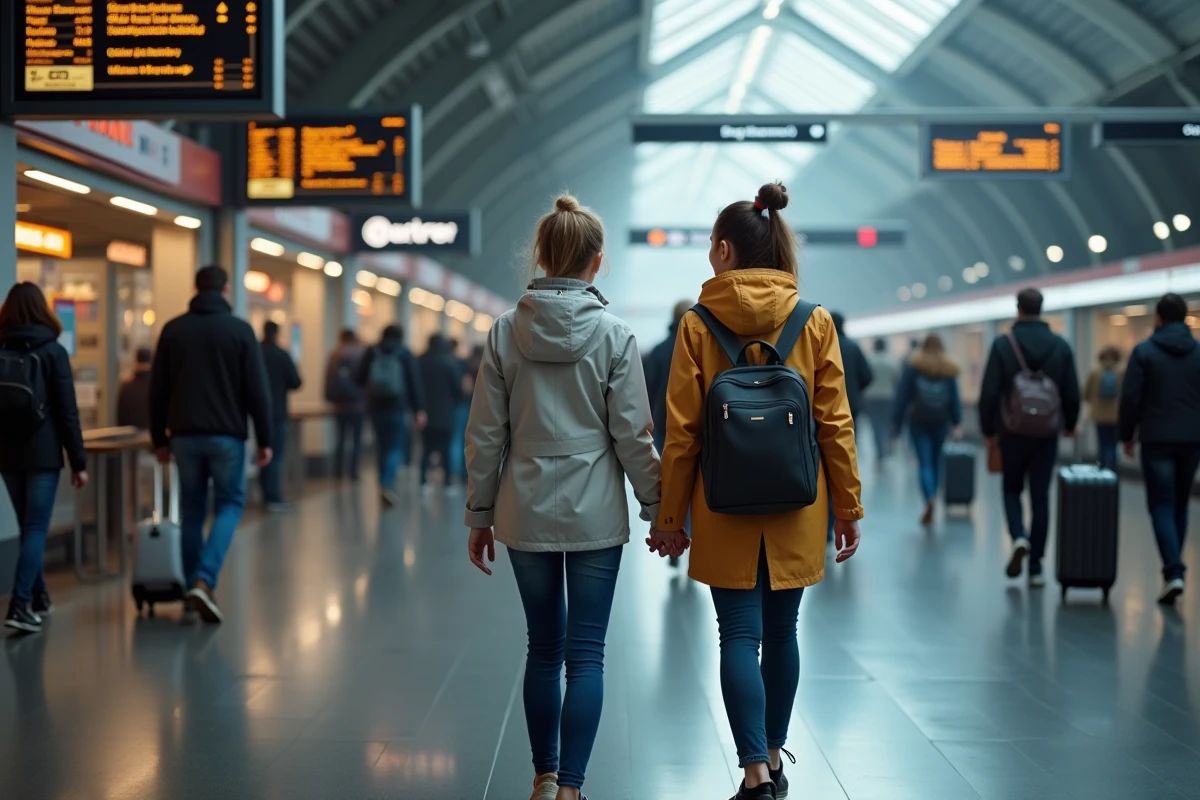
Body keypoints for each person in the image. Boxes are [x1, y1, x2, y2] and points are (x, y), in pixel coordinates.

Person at [652, 183, 862, 800]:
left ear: (723, 251)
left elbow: (683, 433)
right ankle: (774, 753)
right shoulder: (814, 320)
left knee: (737, 635)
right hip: (799, 503)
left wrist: (669, 517)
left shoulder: (696, 326)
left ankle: (754, 774)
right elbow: (836, 424)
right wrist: (847, 507)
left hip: (723, 505)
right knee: (784, 632)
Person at [465, 194, 661, 800]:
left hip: (523, 508)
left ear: (542, 256)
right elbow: (633, 434)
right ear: (596, 263)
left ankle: (544, 777)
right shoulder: (616, 335)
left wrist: (479, 513)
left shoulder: (503, 333)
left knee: (542, 649)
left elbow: (484, 435)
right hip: (596, 511)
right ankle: (574, 788)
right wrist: (660, 509)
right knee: (587, 655)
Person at [150, 265, 274, 624]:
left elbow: (158, 391)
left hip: (184, 436)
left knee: (191, 510)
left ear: (195, 287)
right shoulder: (239, 330)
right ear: (226, 288)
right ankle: (204, 579)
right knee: (230, 504)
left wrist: (160, 439)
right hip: (227, 436)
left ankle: (194, 587)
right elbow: (258, 391)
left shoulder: (174, 330)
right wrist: (265, 439)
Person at [0, 283, 87, 634]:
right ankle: (19, 604)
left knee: (27, 527)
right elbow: (67, 412)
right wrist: (78, 461)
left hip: (7, 454)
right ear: (43, 310)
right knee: (36, 527)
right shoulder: (53, 351)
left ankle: (40, 597)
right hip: (43, 452)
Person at [979, 287, 1079, 588]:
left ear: (1019, 308)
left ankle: (1019, 536)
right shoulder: (1060, 345)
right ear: (1041, 308)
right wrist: (1070, 424)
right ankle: (1036, 567)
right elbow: (1072, 392)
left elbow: (989, 393)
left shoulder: (1002, 345)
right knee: (1040, 496)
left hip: (1011, 431)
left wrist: (989, 431)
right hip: (1046, 433)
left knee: (1011, 488)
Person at [1119, 293, 1200, 604]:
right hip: (1193, 439)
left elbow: (1131, 398)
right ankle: (1174, 572)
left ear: (1158, 317)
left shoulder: (1144, 352)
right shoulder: (1198, 353)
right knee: (1180, 504)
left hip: (1157, 439)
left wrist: (1127, 435)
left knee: (1162, 505)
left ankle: (1174, 571)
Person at [891, 334, 963, 525]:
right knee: (937, 461)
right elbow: (954, 398)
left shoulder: (915, 365)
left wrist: (896, 423)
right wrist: (957, 422)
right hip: (941, 421)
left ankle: (929, 497)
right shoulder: (948, 368)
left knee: (924, 462)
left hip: (919, 421)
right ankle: (934, 495)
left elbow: (903, 395)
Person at [356, 324, 426, 506]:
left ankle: (383, 483)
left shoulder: (372, 351)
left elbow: (358, 378)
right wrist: (418, 409)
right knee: (395, 447)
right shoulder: (404, 353)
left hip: (375, 408)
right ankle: (387, 483)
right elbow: (413, 383)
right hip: (397, 407)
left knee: (381, 445)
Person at [259, 320, 302, 511]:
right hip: (278, 411)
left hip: (257, 411)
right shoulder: (281, 354)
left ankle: (263, 493)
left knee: (262, 452)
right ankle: (273, 496)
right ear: (277, 333)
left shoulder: (255, 353)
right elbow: (296, 381)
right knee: (275, 455)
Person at [644, 299, 692, 454]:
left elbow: (648, 390)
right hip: (693, 423)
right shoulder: (699, 350)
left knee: (665, 471)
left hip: (664, 422)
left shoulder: (659, 351)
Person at [418, 333, 464, 492]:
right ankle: (447, 482)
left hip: (425, 412)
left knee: (426, 448)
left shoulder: (421, 362)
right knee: (446, 448)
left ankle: (423, 481)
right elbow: (458, 390)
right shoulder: (449, 364)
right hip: (446, 413)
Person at [325, 329, 366, 481]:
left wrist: (329, 397)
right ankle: (353, 471)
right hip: (358, 405)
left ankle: (338, 471)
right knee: (356, 439)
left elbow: (328, 377)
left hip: (339, 405)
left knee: (340, 439)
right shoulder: (361, 353)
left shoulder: (335, 354)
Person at [1085, 346, 1123, 470]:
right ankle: (1113, 470)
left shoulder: (1095, 372)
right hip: (1116, 415)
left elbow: (1086, 394)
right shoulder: (1121, 372)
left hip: (1099, 415)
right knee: (1113, 445)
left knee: (1102, 444)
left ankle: (1102, 470)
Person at [863, 338, 901, 465]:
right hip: (888, 398)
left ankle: (879, 454)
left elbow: (864, 378)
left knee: (875, 426)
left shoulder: (869, 361)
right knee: (886, 425)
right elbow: (897, 380)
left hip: (872, 398)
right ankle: (886, 448)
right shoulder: (891, 361)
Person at [446, 337, 471, 486]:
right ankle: (459, 472)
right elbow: (462, 387)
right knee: (459, 440)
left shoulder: (427, 359)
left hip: (442, 409)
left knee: (452, 441)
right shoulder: (459, 363)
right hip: (459, 406)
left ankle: (452, 471)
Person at [116, 347, 153, 429]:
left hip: (131, 438)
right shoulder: (157, 388)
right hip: (151, 438)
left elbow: (120, 418)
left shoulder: (126, 387)